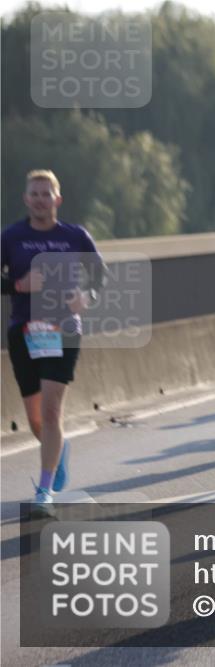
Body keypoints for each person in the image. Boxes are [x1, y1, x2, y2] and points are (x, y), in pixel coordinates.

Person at [2, 170, 106, 518]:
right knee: (35, 419)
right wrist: (18, 286)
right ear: (25, 199)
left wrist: (87, 295)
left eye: (47, 194)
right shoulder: (11, 237)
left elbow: (99, 274)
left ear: (57, 199)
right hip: (24, 331)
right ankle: (58, 450)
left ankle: (44, 491)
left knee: (50, 411)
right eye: (35, 193)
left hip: (63, 330)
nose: (40, 199)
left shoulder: (75, 236)